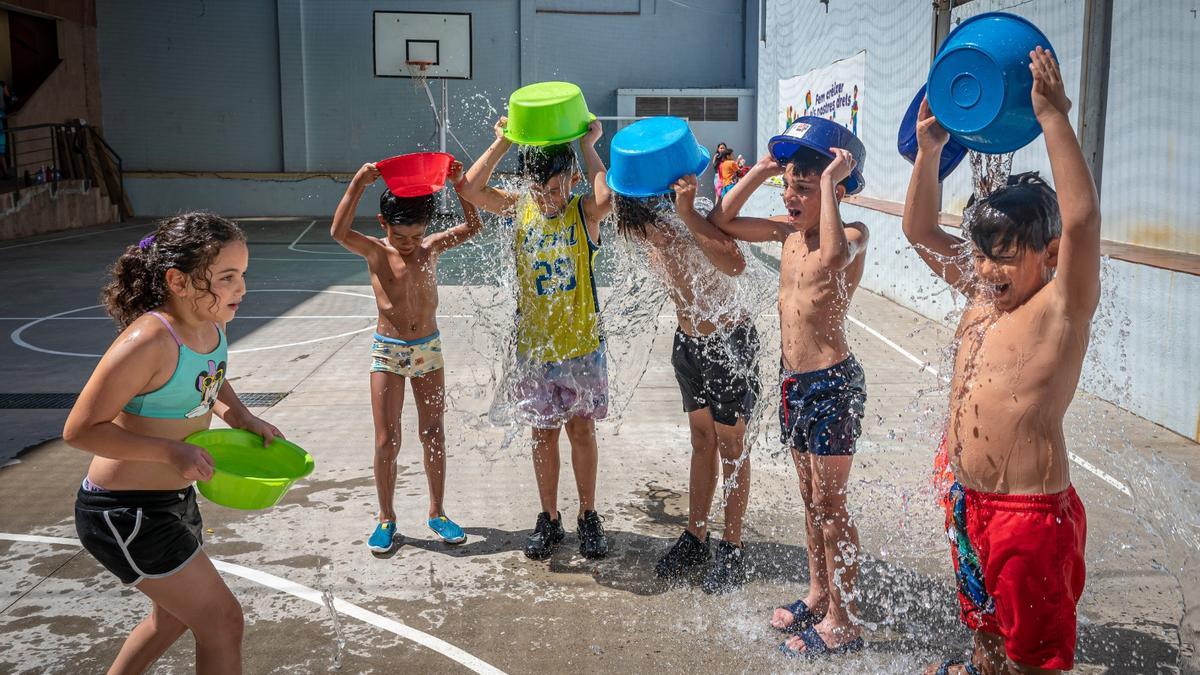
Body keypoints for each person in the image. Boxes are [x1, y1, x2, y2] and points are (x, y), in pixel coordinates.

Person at [904, 48, 1095, 675]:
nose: (986, 271)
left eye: (1004, 257)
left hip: (1028, 517)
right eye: (982, 256)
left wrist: (1053, 118)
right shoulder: (986, 296)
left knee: (1033, 658)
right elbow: (920, 231)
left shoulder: (1059, 309)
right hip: (970, 504)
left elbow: (1084, 218)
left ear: (1048, 253)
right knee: (982, 632)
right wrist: (929, 152)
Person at [64, 212, 283, 675]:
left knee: (172, 619)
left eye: (242, 275)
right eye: (226, 277)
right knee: (221, 621)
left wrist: (240, 415)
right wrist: (170, 451)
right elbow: (81, 428)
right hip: (125, 512)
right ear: (178, 281)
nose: (240, 289)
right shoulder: (148, 342)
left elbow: (209, 382)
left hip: (171, 500)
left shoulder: (211, 325)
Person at [710, 118, 870, 658]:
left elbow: (832, 259)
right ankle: (819, 594)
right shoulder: (785, 235)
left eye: (806, 186)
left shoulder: (849, 236)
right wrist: (759, 170)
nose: (793, 195)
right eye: (791, 185)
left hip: (832, 385)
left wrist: (827, 185)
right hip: (793, 384)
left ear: (838, 188)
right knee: (810, 501)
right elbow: (721, 219)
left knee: (831, 504)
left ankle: (843, 620)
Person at [458, 117, 613, 560]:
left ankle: (588, 515)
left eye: (556, 188)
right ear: (527, 186)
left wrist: (587, 144)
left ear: (571, 180)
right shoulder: (518, 208)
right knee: (542, 435)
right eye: (540, 190)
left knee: (581, 433)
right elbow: (469, 189)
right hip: (535, 352)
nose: (548, 198)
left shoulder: (582, 213)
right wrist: (503, 141)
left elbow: (606, 197)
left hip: (583, 349)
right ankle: (549, 517)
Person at [612, 175, 759, 593]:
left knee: (732, 445)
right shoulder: (652, 235)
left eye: (649, 228)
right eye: (640, 232)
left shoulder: (692, 222)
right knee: (701, 440)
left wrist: (687, 214)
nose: (646, 239)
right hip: (688, 344)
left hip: (728, 342)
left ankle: (732, 545)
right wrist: (591, 145)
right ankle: (696, 535)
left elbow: (736, 264)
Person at [330, 160, 482, 553]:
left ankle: (438, 512)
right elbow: (338, 231)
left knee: (433, 432)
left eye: (416, 235)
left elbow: (473, 227)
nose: (409, 243)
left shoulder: (431, 248)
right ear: (384, 223)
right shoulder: (376, 252)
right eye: (401, 235)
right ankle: (386, 518)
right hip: (389, 352)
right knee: (387, 438)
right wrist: (359, 182)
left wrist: (459, 184)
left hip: (428, 349)